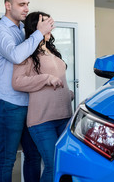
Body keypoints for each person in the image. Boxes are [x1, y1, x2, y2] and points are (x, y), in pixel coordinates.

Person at [0, 0, 54, 182]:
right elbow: (17, 56)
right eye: (21, 4)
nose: (26, 8)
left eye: (27, 4)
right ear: (8, 6)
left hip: (30, 103)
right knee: (7, 159)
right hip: (8, 104)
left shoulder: (21, 30)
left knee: (33, 156)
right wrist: (38, 33)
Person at [12, 11, 74, 182]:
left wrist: (68, 94)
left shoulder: (51, 51)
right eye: (45, 23)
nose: (50, 27)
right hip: (42, 120)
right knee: (53, 165)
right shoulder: (26, 53)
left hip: (64, 117)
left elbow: (59, 80)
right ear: (35, 27)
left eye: (50, 23)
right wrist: (46, 78)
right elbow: (17, 82)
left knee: (64, 165)